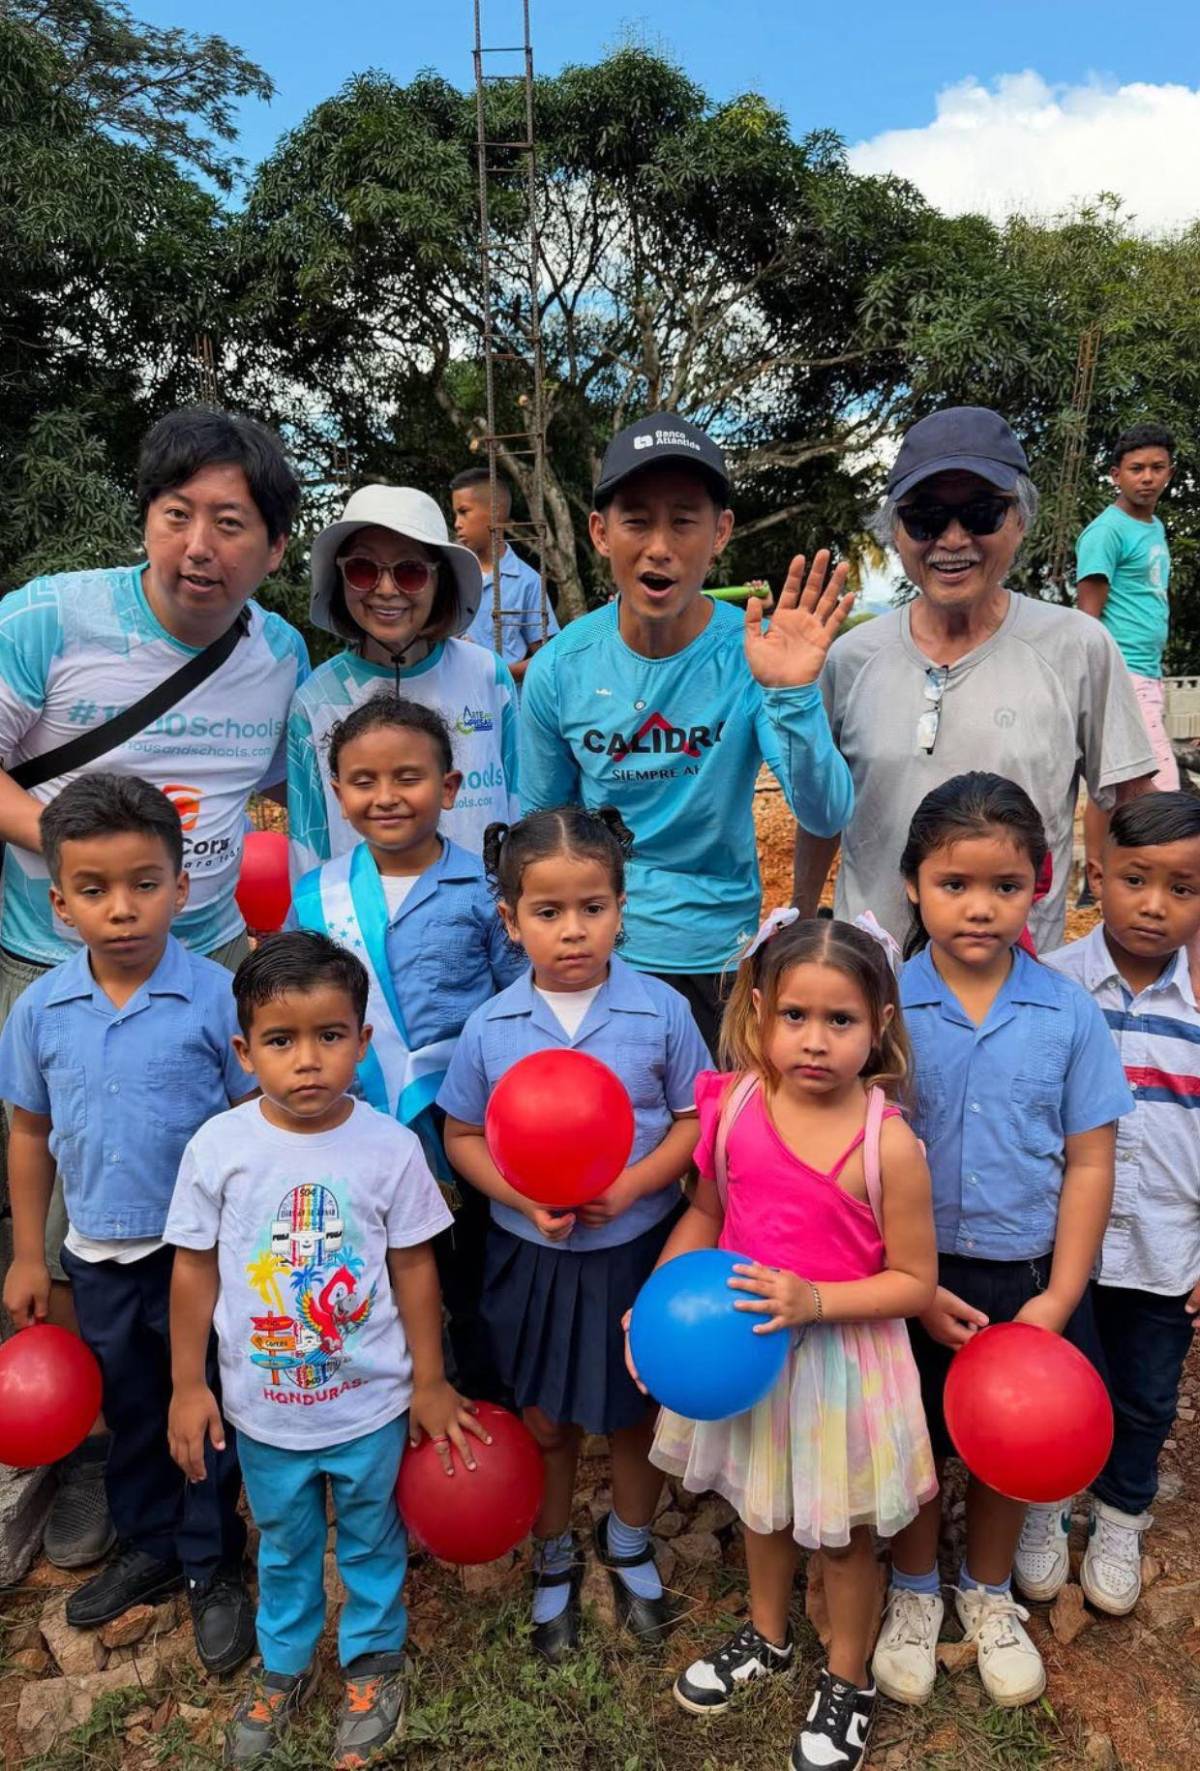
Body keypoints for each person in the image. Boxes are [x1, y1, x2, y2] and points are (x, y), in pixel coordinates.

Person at [0, 406, 309, 1568]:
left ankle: (219, 1413)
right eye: (178, 514)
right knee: (66, 1203)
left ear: (273, 547)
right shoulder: (47, 617)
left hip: (213, 959)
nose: (198, 546)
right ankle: (69, 1440)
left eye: (231, 523)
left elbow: (297, 785)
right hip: (45, 955)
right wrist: (90, 866)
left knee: (213, 1194)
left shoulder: (279, 656)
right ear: (146, 517)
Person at [165, 932, 482, 1768]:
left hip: (370, 1404)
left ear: (362, 1039)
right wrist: (188, 1385)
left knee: (373, 1535)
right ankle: (285, 1660)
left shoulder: (389, 1147)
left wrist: (430, 1379)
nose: (307, 1060)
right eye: (281, 1039)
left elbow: (414, 1266)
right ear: (244, 1051)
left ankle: (373, 1659)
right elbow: (193, 1269)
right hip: (264, 1411)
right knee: (284, 1539)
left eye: (330, 1035)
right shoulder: (219, 1148)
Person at [639, 914, 935, 1771]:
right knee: (759, 1504)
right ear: (761, 1012)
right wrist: (655, 1303)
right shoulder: (735, 1107)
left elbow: (914, 1281)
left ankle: (849, 1678)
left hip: (842, 1363)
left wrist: (816, 1300)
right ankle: (767, 1635)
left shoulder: (887, 1144)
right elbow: (707, 1212)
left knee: (842, 1534)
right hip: (744, 1357)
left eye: (840, 1020)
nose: (814, 1040)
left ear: (879, 1023)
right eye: (795, 1016)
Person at [872, 773, 1132, 1712]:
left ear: (1040, 885)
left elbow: (1090, 1160)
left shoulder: (1067, 1012)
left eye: (1006, 885)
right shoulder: (882, 1009)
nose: (979, 907)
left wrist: (1057, 1298)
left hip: (1022, 1278)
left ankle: (985, 1591)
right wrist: (904, 1284)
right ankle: (912, 1588)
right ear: (913, 883)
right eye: (954, 883)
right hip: (904, 1276)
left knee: (1007, 1439)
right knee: (908, 1437)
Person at [438, 807, 711, 1660]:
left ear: (621, 908)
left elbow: (693, 1122)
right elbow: (461, 1134)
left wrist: (632, 1183)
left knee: (634, 1412)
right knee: (546, 1417)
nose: (572, 929)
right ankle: (553, 1549)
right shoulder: (491, 1027)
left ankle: (628, 1539)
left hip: (636, 1252)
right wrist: (518, 1197)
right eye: (548, 911)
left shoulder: (661, 1012)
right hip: (533, 1258)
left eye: (592, 907)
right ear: (510, 919)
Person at [0, 775, 255, 1668]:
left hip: (201, 1256)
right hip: (98, 1253)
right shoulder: (39, 1010)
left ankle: (213, 1560)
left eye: (144, 884)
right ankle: (152, 1543)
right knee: (135, 1405)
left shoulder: (218, 998)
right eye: (95, 889)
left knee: (205, 1405)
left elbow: (253, 1123)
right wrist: (27, 1253)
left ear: (181, 887)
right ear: (59, 904)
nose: (122, 909)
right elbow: (29, 1132)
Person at [519, 412, 854, 1055]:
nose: (659, 546)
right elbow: (543, 835)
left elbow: (826, 811)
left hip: (721, 958)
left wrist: (790, 693)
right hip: (602, 959)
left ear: (719, 532)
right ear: (600, 533)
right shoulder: (560, 669)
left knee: (712, 1121)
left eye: (683, 521)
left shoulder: (753, 655)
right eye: (636, 521)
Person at [793, 406, 1155, 952]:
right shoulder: (850, 658)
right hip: (874, 982)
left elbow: (1135, 806)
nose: (953, 538)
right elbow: (823, 812)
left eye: (982, 513)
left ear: (1020, 520)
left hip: (1018, 983)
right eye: (925, 518)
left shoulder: (1077, 647)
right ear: (895, 531)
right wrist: (799, 923)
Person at [289, 694, 524, 1398]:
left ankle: (488, 1402)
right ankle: (394, 1401)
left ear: (448, 788)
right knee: (379, 1274)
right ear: (339, 795)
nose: (386, 796)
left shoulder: (486, 891)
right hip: (360, 1123)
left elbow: (518, 1005)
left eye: (408, 777)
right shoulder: (317, 896)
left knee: (475, 1274)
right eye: (364, 781)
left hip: (469, 1125)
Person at [1016, 793, 1200, 1616]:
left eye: (1182, 888)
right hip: (1063, 1247)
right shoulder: (1052, 984)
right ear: (1096, 876)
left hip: (1165, 1248)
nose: (1155, 905)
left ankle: (1122, 1514)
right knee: (1063, 1379)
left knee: (1147, 1391)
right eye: (1135, 879)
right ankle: (1048, 1498)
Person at [287, 485, 520, 880]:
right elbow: (308, 847)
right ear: (339, 578)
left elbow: (518, 804)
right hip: (361, 915)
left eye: (410, 572)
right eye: (363, 569)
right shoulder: (316, 700)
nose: (386, 590)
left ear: (439, 580)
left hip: (483, 909)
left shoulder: (487, 675)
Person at [1075, 423, 1178, 905]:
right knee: (1163, 795)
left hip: (1148, 672)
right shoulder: (1106, 532)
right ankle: (1155, 891)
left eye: (1157, 467)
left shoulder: (1154, 527)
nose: (1147, 477)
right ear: (1116, 474)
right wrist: (1099, 684)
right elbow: (1087, 620)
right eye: (1137, 468)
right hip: (1123, 673)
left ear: (1170, 472)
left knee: (1111, 785)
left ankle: (1097, 883)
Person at [450, 466, 560, 683]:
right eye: (455, 514)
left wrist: (498, 672)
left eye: (463, 512)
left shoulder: (528, 582)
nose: (457, 524)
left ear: (495, 512)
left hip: (504, 698)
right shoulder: (448, 574)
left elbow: (548, 657)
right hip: (451, 696)